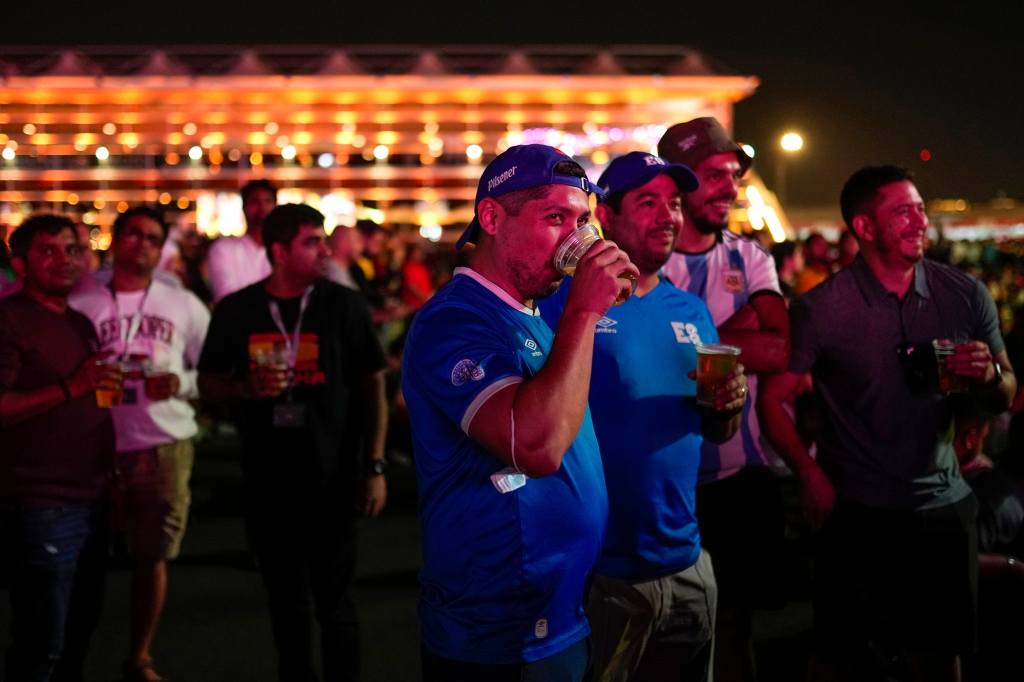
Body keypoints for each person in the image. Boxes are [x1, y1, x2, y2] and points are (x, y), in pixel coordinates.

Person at [759, 165, 1017, 681]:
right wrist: (809, 476)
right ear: (865, 228)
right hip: (856, 512)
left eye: (920, 208)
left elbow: (1005, 393)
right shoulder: (823, 308)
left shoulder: (965, 295)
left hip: (943, 509)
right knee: (836, 657)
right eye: (903, 211)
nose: (919, 220)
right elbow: (774, 398)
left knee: (940, 658)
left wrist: (989, 375)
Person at [402, 144, 638, 682]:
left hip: (560, 616)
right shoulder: (454, 320)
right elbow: (535, 445)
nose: (574, 238)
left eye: (582, 220)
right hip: (498, 636)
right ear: (490, 217)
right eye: (554, 218)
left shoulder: (527, 310)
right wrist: (582, 309)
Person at [538, 152, 748, 682]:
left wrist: (729, 408)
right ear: (605, 215)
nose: (668, 216)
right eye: (648, 202)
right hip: (600, 571)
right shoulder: (564, 302)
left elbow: (715, 431)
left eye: (674, 203)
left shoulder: (693, 311)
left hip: (688, 561)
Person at [198, 203, 388, 682]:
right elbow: (208, 382)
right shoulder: (238, 310)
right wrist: (244, 390)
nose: (325, 250)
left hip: (334, 476)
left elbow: (372, 389)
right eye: (312, 242)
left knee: (337, 604)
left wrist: (375, 466)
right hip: (267, 479)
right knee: (285, 601)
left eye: (324, 239)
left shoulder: (343, 305)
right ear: (279, 251)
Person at [658, 116, 791, 682]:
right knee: (659, 632)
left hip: (739, 474)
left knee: (735, 629)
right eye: (714, 174)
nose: (729, 186)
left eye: (733, 174)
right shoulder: (642, 260)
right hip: (659, 477)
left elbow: (781, 349)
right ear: (677, 184)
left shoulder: (750, 257)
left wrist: (675, 338)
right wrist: (732, 334)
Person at [68, 206, 210, 682]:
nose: (142, 244)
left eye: (152, 237)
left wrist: (182, 382)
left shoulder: (182, 302)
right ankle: (69, 656)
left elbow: (209, 369)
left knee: (152, 554)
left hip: (161, 441)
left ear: (161, 246)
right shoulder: (83, 299)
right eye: (132, 235)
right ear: (115, 239)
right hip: (94, 440)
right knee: (82, 555)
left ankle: (139, 656)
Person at [0, 214, 121, 682]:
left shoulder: (79, 321)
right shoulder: (10, 319)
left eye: (72, 250)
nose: (64, 260)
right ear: (20, 265)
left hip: (91, 497)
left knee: (78, 634)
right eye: (48, 250)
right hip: (41, 505)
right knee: (40, 644)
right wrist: (71, 387)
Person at [207, 179, 277, 302]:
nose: (262, 207)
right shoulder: (223, 249)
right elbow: (226, 298)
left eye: (268, 201)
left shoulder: (283, 249)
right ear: (244, 207)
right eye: (255, 201)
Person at [326, 224, 370, 295]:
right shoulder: (334, 278)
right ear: (342, 243)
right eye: (357, 240)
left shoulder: (348, 270)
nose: (362, 246)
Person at [400, 242, 434, 312]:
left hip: (424, 304)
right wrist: (425, 298)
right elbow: (412, 286)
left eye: (420, 253)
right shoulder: (408, 267)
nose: (419, 255)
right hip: (413, 306)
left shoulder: (422, 267)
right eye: (417, 253)